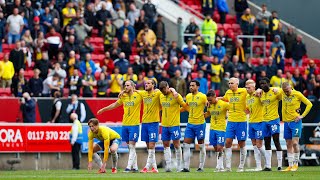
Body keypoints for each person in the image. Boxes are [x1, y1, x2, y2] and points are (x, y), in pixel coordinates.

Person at [97, 80, 142, 172]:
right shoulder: (124, 96)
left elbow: (149, 93)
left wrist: (136, 90)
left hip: (134, 125)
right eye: (125, 85)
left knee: (132, 146)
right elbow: (114, 105)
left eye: (128, 85)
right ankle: (135, 167)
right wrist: (103, 109)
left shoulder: (139, 95)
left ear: (133, 86)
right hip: (125, 124)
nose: (126, 87)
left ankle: (128, 167)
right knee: (130, 147)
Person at [280, 82, 312, 172]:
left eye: (287, 91)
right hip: (286, 122)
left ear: (291, 87)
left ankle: (296, 164)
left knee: (295, 143)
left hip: (296, 122)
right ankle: (290, 165)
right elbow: (273, 89)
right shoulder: (282, 92)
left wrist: (302, 116)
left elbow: (309, 104)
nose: (286, 93)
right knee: (288, 144)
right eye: (284, 91)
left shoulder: (297, 94)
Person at [158, 81, 187, 172]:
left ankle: (179, 166)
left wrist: (178, 111)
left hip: (174, 125)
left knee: (177, 145)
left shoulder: (175, 96)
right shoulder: (161, 96)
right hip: (165, 125)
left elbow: (184, 106)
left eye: (165, 90)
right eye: (162, 91)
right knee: (166, 145)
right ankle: (169, 166)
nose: (164, 93)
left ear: (168, 87)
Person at [220, 77, 247, 172]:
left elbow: (253, 93)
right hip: (231, 121)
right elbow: (224, 99)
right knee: (227, 142)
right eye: (229, 83)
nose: (230, 85)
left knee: (241, 143)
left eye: (232, 83)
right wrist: (213, 99)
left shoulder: (244, 91)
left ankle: (241, 166)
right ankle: (228, 167)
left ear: (237, 83)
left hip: (241, 121)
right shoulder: (228, 92)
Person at [181, 80, 207, 172]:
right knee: (186, 144)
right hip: (190, 123)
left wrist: (207, 113)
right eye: (190, 85)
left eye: (193, 85)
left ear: (198, 87)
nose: (191, 87)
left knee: (200, 145)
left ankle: (201, 167)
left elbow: (209, 105)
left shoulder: (203, 96)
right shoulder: (188, 96)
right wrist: (177, 110)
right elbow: (186, 107)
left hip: (200, 124)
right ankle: (186, 167)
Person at [258, 77, 283, 171]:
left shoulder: (275, 91)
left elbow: (284, 91)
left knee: (276, 141)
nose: (262, 85)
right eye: (261, 84)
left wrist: (278, 89)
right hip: (264, 121)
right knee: (267, 142)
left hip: (274, 120)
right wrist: (258, 90)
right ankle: (268, 166)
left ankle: (280, 166)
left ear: (268, 83)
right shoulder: (261, 94)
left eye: (264, 83)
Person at [204, 90, 229, 172]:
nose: (209, 101)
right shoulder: (209, 105)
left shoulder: (223, 104)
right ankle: (221, 165)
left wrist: (227, 115)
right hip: (212, 129)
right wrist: (203, 115)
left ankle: (219, 167)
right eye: (208, 100)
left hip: (221, 129)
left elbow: (232, 108)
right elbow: (208, 113)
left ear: (215, 97)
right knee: (216, 148)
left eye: (210, 100)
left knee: (219, 147)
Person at [245, 80, 266, 171]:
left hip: (260, 122)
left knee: (259, 145)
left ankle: (268, 163)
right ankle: (258, 166)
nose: (247, 89)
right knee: (254, 145)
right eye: (246, 87)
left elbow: (264, 91)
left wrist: (259, 90)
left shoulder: (258, 93)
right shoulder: (247, 97)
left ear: (254, 88)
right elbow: (247, 110)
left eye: (249, 88)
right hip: (251, 122)